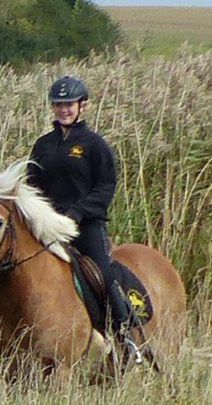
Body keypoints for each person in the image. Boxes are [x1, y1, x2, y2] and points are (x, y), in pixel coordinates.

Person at [25, 75, 150, 363]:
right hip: (49, 225)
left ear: (82, 106)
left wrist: (78, 212)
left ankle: (124, 336)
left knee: (103, 275)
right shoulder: (43, 145)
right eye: (58, 105)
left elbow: (106, 187)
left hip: (85, 225)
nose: (63, 110)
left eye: (69, 104)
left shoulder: (95, 145)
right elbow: (32, 186)